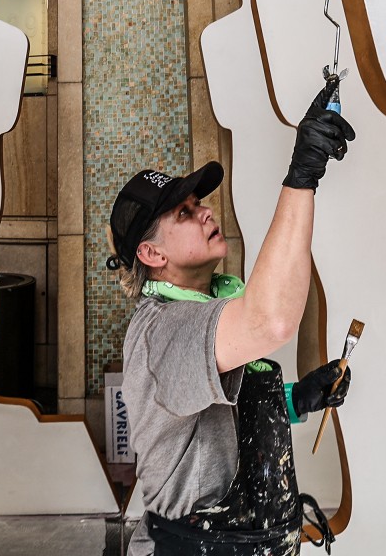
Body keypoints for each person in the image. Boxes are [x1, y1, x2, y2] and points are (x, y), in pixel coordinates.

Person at [107, 79, 356, 556]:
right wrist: (302, 175)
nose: (204, 212)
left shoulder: (206, 313)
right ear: (150, 252)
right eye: (184, 212)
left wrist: (298, 398)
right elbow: (270, 322)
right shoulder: (162, 329)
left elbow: (217, 423)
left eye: (198, 203)